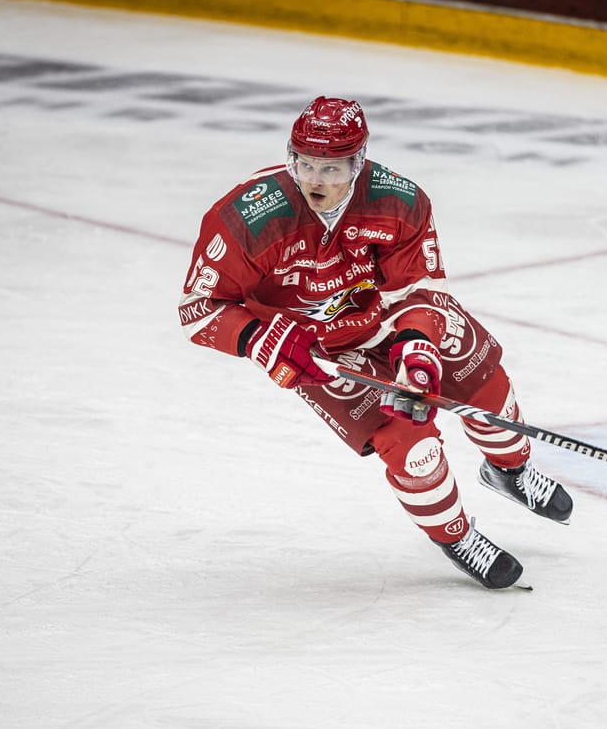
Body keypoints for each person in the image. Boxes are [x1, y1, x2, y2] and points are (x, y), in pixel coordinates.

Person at [178, 96, 572, 588]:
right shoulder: (247, 219)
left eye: (332, 167)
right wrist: (266, 342)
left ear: (358, 163)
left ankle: (510, 470)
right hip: (318, 350)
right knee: (409, 445)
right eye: (305, 163)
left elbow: (419, 289)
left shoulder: (398, 202)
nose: (315, 179)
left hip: (389, 317)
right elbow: (199, 308)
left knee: (481, 381)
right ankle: (455, 534)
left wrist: (417, 347)